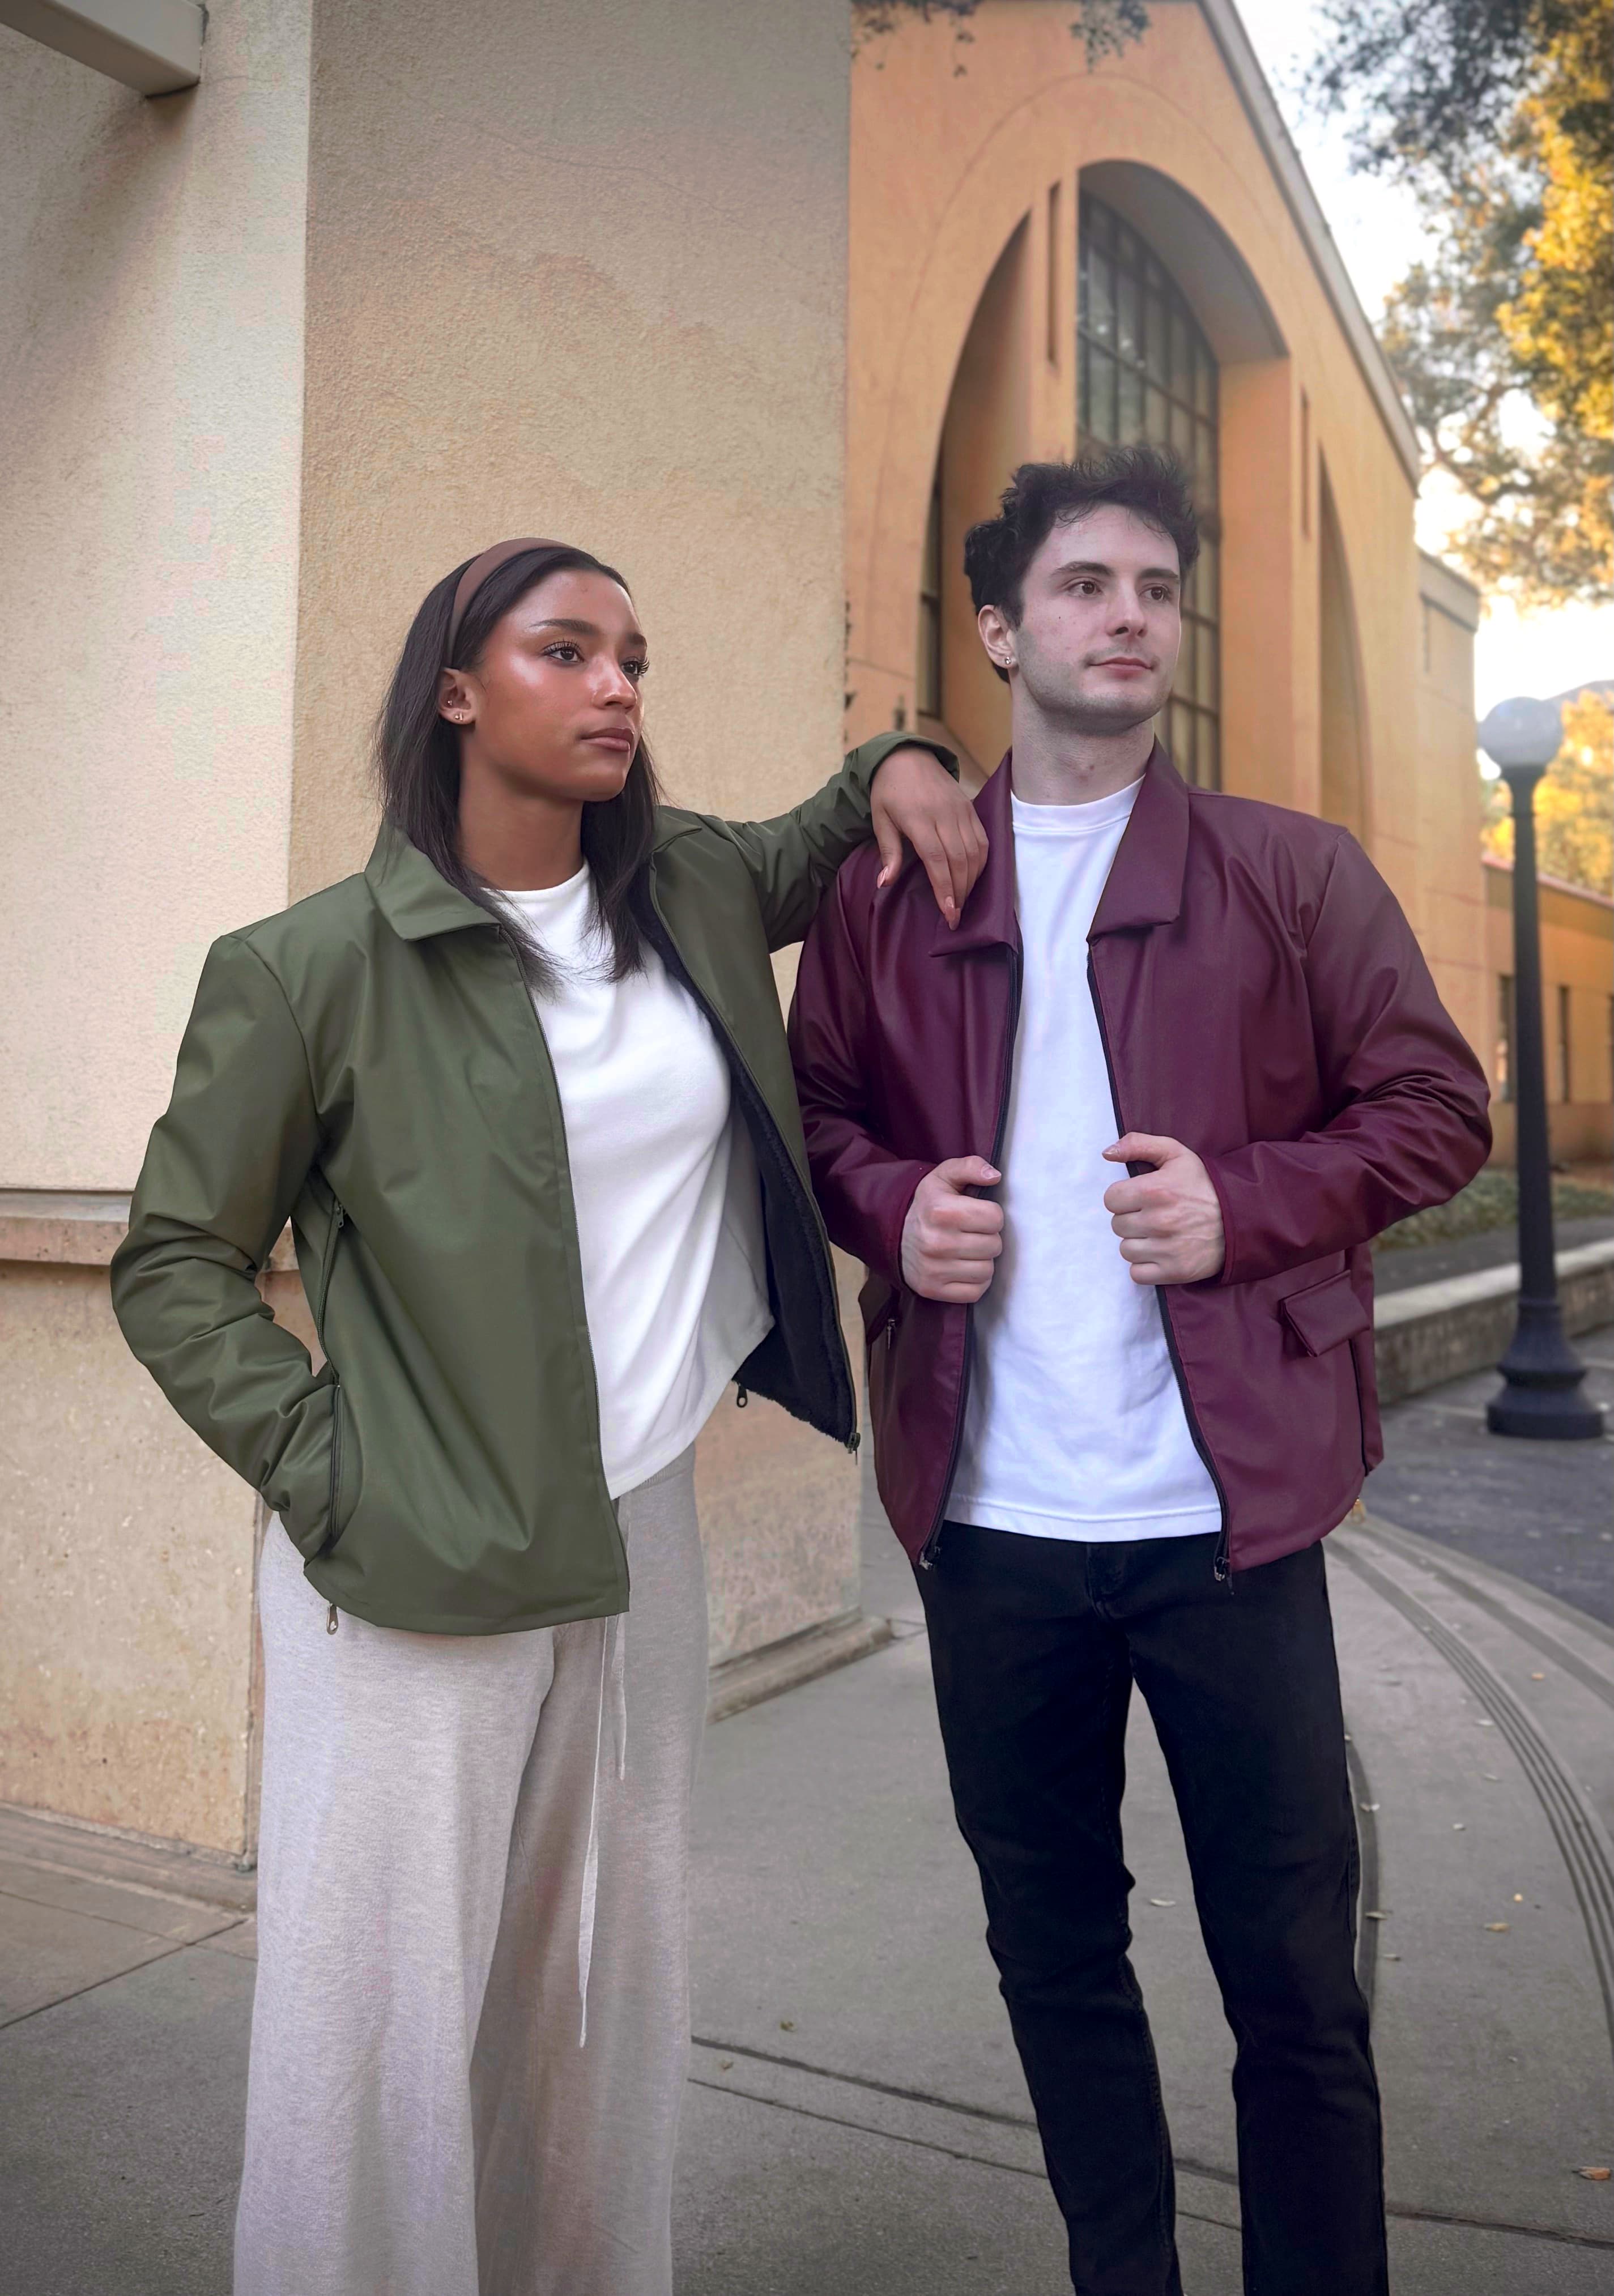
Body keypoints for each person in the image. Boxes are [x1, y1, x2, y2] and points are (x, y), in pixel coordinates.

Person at [110, 535, 982, 2296]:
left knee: (600, 1993)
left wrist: (914, 754)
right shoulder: (310, 965)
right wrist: (329, 1471)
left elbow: (839, 815)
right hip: (407, 1559)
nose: (615, 689)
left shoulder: (692, 892)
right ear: (455, 691)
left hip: (639, 1531)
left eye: (635, 660)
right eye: (566, 651)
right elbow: (171, 1261)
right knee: (378, 2030)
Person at [789, 450, 1492, 2296]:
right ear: (1004, 629)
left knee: (1292, 1973)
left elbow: (1435, 1111)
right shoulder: (891, 891)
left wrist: (1246, 1204)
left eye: (1158, 589)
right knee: (1053, 1948)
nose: (1131, 616)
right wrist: (886, 1210)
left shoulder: (1285, 872)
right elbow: (813, 1117)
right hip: (991, 1524)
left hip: (1227, 1520)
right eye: (1089, 584)